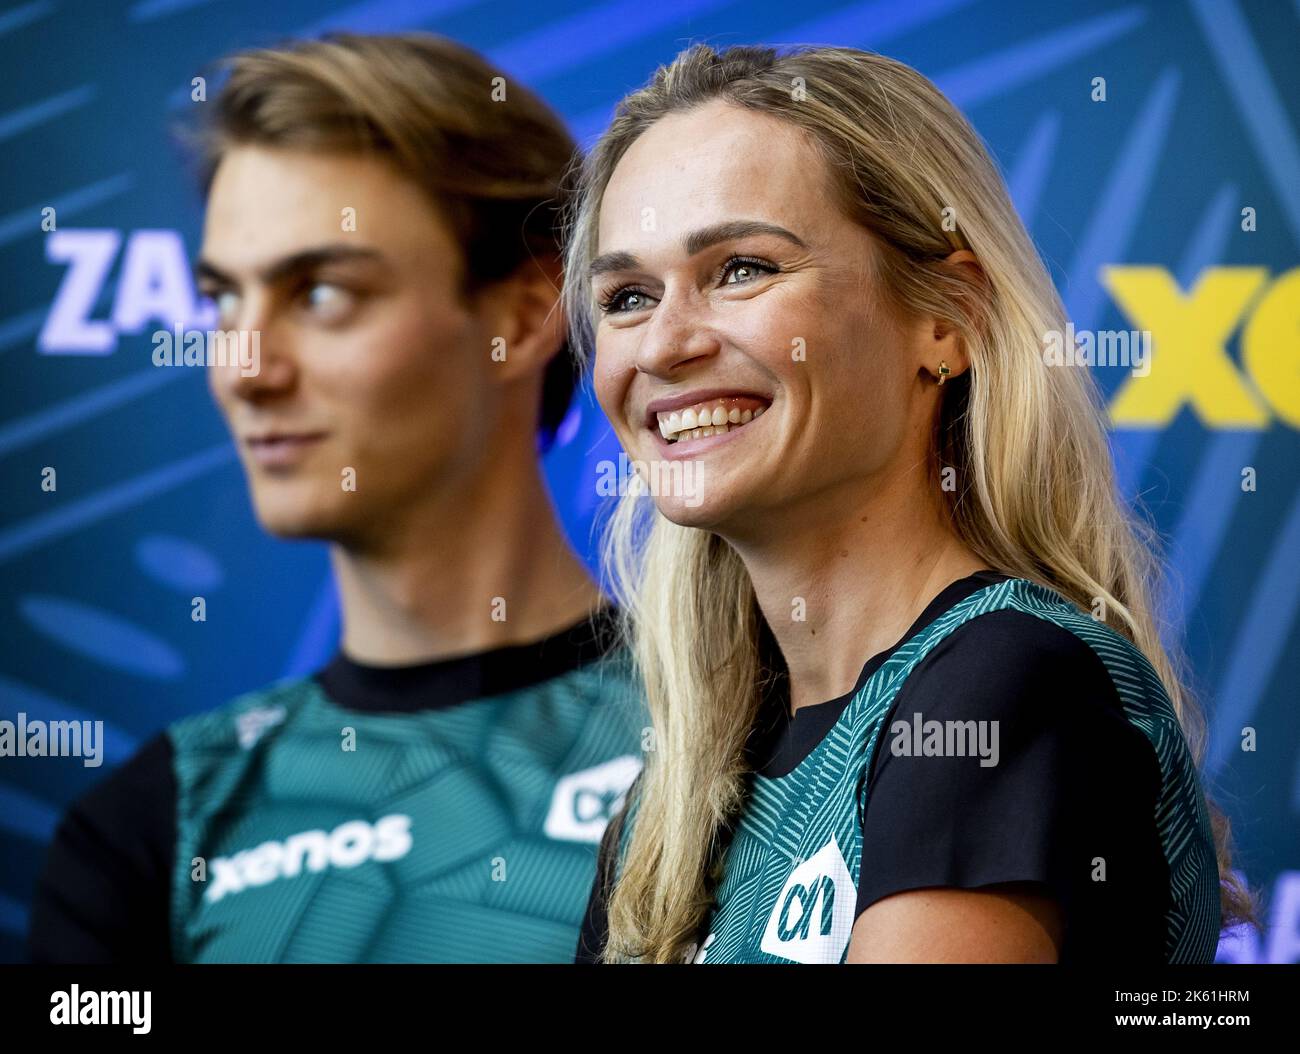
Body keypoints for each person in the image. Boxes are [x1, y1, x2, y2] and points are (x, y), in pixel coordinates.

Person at [564, 43, 1256, 964]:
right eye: (628, 296)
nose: (664, 344)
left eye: (742, 270)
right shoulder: (670, 805)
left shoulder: (1000, 689)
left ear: (947, 317)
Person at [28, 33, 645, 964]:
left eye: (319, 293)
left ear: (523, 315)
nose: (246, 370)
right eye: (222, 302)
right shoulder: (155, 826)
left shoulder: (752, 722)